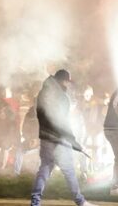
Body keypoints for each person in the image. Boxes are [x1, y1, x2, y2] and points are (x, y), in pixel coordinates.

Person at [31, 69, 98, 206]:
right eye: (68, 82)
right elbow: (63, 122)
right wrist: (73, 141)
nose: (68, 85)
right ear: (64, 81)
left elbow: (40, 115)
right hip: (59, 139)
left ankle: (35, 202)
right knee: (69, 171)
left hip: (45, 137)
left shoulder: (43, 93)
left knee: (44, 168)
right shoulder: (61, 96)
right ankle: (81, 201)